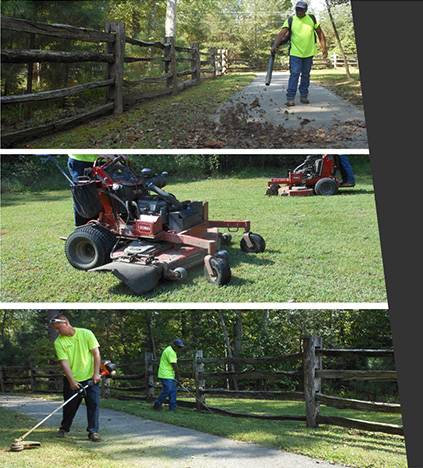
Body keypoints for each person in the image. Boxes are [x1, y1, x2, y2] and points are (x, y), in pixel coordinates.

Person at [51, 314, 102, 442]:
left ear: (66, 324)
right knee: (70, 406)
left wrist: (96, 373)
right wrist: (72, 381)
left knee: (93, 404)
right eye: (55, 329)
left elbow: (96, 354)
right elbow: (64, 363)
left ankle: (93, 432)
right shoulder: (59, 342)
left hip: (90, 378)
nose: (57, 331)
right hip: (72, 380)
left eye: (58, 328)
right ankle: (64, 428)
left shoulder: (86, 334)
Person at [271, 1, 327, 106]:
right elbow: (281, 34)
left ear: (306, 10)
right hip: (295, 53)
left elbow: (320, 33)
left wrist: (324, 48)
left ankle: (304, 95)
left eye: (301, 9)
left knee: (306, 75)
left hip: (309, 53)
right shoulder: (291, 20)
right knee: (294, 74)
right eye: (297, 9)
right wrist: (275, 45)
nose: (299, 11)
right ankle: (290, 98)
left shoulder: (312, 19)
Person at [153, 339, 184, 412]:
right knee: (167, 389)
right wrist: (178, 376)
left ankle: (172, 408)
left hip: (169, 375)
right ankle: (157, 404)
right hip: (165, 374)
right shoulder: (170, 351)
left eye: (180, 347)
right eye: (178, 347)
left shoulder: (171, 351)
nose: (179, 349)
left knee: (173, 391)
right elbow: (174, 365)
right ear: (174, 345)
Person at [68, 154, 98, 226]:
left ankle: (102, 226)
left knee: (104, 195)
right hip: (82, 160)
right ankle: (82, 229)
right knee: (83, 196)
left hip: (104, 161)